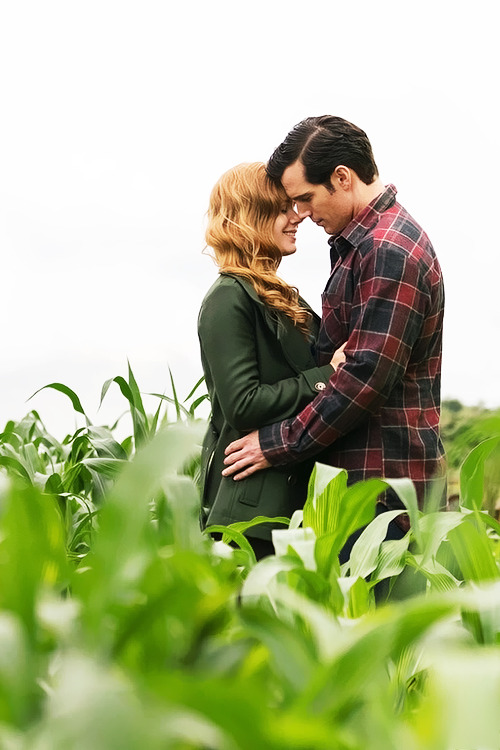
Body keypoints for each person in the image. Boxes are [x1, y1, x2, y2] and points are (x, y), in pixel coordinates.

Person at [222, 116, 446, 554]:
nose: (300, 214)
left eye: (304, 198)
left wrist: (275, 444)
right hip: (355, 486)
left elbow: (364, 379)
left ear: (341, 178)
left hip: (381, 494)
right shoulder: (360, 247)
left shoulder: (388, 251)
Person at [198, 162, 345, 560]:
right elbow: (243, 404)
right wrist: (326, 376)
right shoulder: (229, 297)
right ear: (251, 216)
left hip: (290, 511)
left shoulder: (281, 298)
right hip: (251, 518)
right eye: (282, 208)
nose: (297, 216)